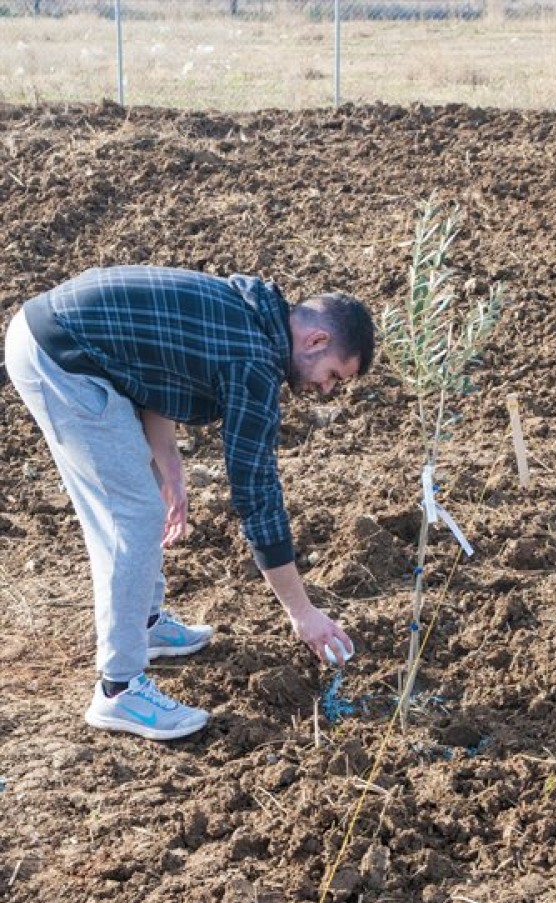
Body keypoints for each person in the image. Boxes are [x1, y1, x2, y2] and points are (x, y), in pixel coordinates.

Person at [5, 265, 374, 741]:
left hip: (73, 343)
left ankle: (144, 622)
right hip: (60, 357)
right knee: (130, 518)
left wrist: (171, 463)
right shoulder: (255, 360)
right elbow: (256, 490)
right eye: (332, 377)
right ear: (318, 340)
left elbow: (151, 362)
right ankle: (119, 689)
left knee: (146, 499)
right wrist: (302, 612)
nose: (326, 390)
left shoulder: (252, 310)